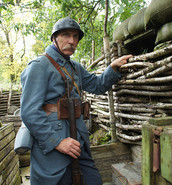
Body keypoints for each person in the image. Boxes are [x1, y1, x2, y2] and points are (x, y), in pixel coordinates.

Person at [20, 17, 132, 185]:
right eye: (66, 35)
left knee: (93, 180)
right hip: (54, 146)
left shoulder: (75, 67)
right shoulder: (39, 65)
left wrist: (113, 68)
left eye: (75, 36)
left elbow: (97, 85)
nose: (72, 41)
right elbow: (29, 112)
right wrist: (57, 142)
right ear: (54, 38)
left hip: (78, 140)